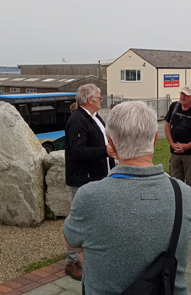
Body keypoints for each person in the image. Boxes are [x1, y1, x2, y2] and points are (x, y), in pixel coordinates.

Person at [63, 101, 191, 294]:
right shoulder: (182, 192)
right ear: (155, 139)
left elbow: (70, 242)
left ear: (111, 145)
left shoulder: (90, 196)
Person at [64, 83, 115, 280]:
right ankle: (72, 261)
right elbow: (78, 151)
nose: (101, 100)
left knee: (95, 219)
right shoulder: (78, 120)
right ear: (89, 100)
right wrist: (105, 151)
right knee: (79, 219)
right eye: (99, 97)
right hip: (83, 180)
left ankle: (92, 255)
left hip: (97, 177)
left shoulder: (94, 117)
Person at [164, 85, 191, 218]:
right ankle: (177, 210)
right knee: (175, 182)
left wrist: (187, 146)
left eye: (187, 95)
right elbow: (167, 124)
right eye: (182, 94)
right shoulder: (174, 107)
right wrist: (172, 143)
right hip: (175, 153)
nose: (183, 97)